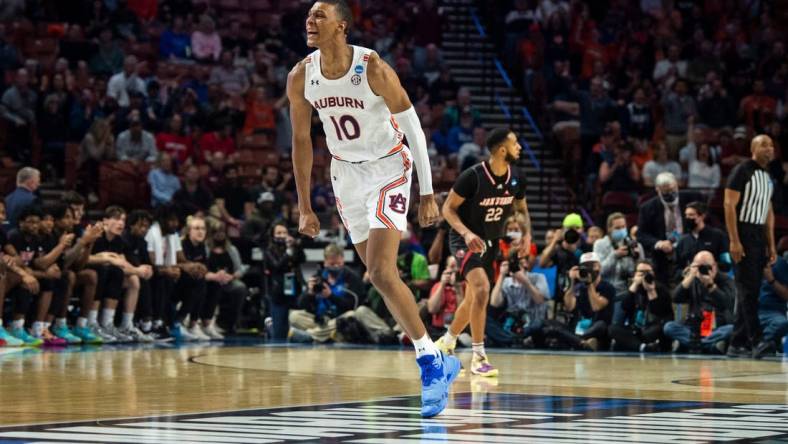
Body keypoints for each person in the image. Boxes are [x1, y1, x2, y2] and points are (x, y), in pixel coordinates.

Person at [287, 0, 459, 417]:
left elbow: (413, 125)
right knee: (380, 278)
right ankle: (439, 358)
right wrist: (304, 205)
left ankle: (429, 363)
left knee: (382, 270)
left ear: (342, 26)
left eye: (319, 16)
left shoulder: (372, 67)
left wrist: (427, 190)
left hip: (388, 168)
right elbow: (302, 142)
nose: (310, 22)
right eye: (308, 16)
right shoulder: (300, 76)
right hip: (345, 176)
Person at [436, 128, 530, 376]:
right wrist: (466, 233)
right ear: (502, 149)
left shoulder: (517, 177)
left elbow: (521, 208)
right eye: (515, 143)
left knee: (473, 299)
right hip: (465, 240)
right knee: (481, 289)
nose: (519, 147)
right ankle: (478, 357)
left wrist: (527, 233)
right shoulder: (473, 176)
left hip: (491, 241)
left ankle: (447, 341)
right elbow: (447, 209)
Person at [724, 135, 776, 359]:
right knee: (747, 290)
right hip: (743, 232)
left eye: (772, 145)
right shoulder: (742, 170)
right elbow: (729, 204)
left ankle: (737, 343)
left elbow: (768, 212)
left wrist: (771, 244)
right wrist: (735, 240)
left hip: (758, 236)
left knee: (751, 291)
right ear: (753, 148)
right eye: (764, 144)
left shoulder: (767, 176)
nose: (769, 149)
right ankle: (757, 339)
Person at [664, 251, 735, 354]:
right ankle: (708, 345)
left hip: (716, 327)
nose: (703, 270)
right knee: (669, 327)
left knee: (732, 329)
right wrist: (689, 278)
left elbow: (728, 303)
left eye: (707, 266)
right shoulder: (692, 280)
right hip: (693, 329)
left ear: (714, 266)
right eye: (699, 266)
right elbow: (676, 298)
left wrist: (711, 286)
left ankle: (693, 345)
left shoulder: (725, 280)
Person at [608, 260, 673, 352]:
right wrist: (634, 284)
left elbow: (657, 313)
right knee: (612, 329)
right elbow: (625, 307)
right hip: (636, 329)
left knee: (653, 331)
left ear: (653, 273)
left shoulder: (661, 289)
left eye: (647, 272)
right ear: (635, 274)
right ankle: (643, 347)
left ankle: (632, 344)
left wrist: (651, 291)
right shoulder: (634, 289)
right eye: (641, 272)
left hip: (654, 328)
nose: (644, 275)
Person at [489, 251, 548, 347]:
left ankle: (510, 340)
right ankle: (514, 340)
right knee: (485, 321)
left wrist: (525, 281)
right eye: (514, 264)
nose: (517, 266)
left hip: (533, 321)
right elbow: (494, 303)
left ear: (526, 264)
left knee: (539, 325)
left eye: (519, 263)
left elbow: (539, 300)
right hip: (512, 322)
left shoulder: (538, 278)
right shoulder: (506, 282)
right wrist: (502, 275)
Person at [593, 212, 645, 295]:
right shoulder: (600, 244)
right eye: (617, 228)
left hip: (629, 291)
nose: (621, 230)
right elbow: (599, 271)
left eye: (623, 227)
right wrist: (615, 255)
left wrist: (637, 257)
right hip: (608, 292)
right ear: (609, 229)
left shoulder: (635, 245)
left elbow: (642, 271)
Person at [675, 201, 729, 273]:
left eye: (691, 215)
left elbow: (727, 263)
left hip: (715, 278)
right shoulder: (683, 240)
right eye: (686, 215)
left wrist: (708, 266)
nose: (687, 218)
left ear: (702, 216)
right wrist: (685, 271)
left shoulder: (718, 236)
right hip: (690, 280)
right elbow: (677, 268)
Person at [758, 256, 788, 356]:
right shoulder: (749, 263)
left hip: (772, 313)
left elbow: (786, 295)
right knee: (728, 330)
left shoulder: (779, 263)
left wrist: (771, 280)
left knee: (782, 323)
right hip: (751, 314)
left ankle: (757, 343)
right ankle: (763, 344)